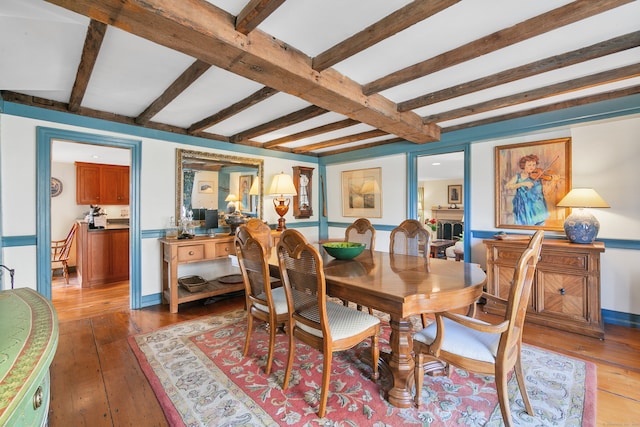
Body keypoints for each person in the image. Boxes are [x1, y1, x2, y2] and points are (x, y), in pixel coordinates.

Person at [505, 154, 549, 226]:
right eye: (529, 165)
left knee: (539, 225)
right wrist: (523, 184)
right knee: (524, 225)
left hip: (537, 205)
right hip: (523, 205)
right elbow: (507, 186)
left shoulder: (538, 176)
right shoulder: (518, 176)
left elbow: (545, 191)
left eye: (534, 165)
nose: (532, 167)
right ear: (523, 165)